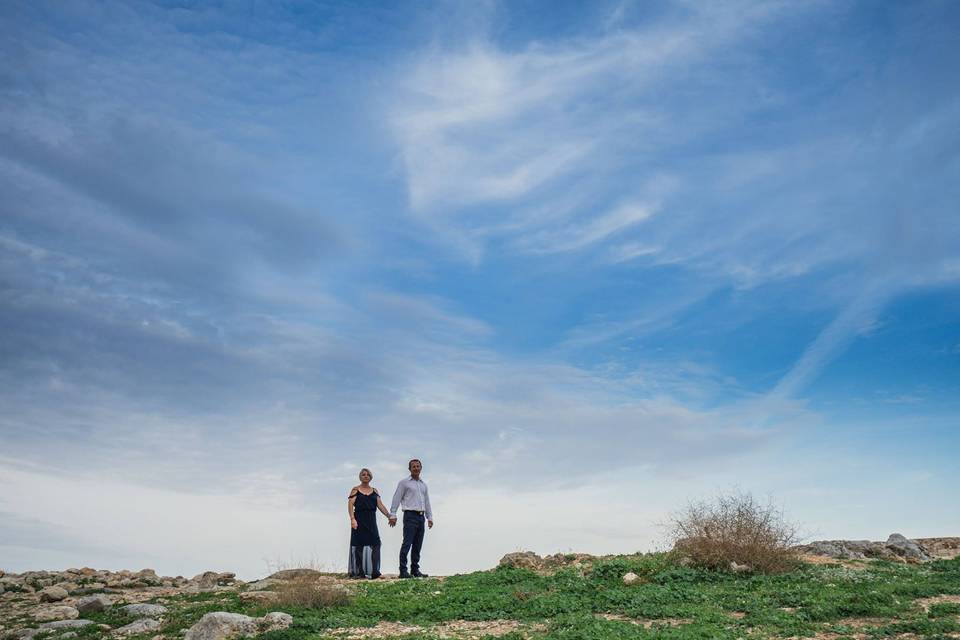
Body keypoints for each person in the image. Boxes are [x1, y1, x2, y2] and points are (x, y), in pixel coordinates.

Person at [388, 458, 433, 578]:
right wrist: (393, 514)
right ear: (409, 469)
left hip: (421, 517)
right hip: (410, 516)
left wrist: (430, 517)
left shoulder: (424, 485)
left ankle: (415, 570)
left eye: (418, 466)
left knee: (418, 545)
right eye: (414, 466)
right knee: (407, 543)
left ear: (421, 468)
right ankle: (403, 570)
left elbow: (427, 502)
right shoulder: (404, 483)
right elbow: (396, 498)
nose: (416, 468)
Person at [347, 468, 392, 579]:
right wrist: (352, 519)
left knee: (376, 544)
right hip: (359, 519)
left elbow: (380, 505)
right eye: (363, 474)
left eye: (367, 474)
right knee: (359, 546)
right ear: (360, 477)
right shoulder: (355, 489)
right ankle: (360, 572)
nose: (365, 476)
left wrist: (389, 516)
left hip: (371, 520)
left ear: (370, 477)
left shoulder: (375, 491)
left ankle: (375, 571)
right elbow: (350, 504)